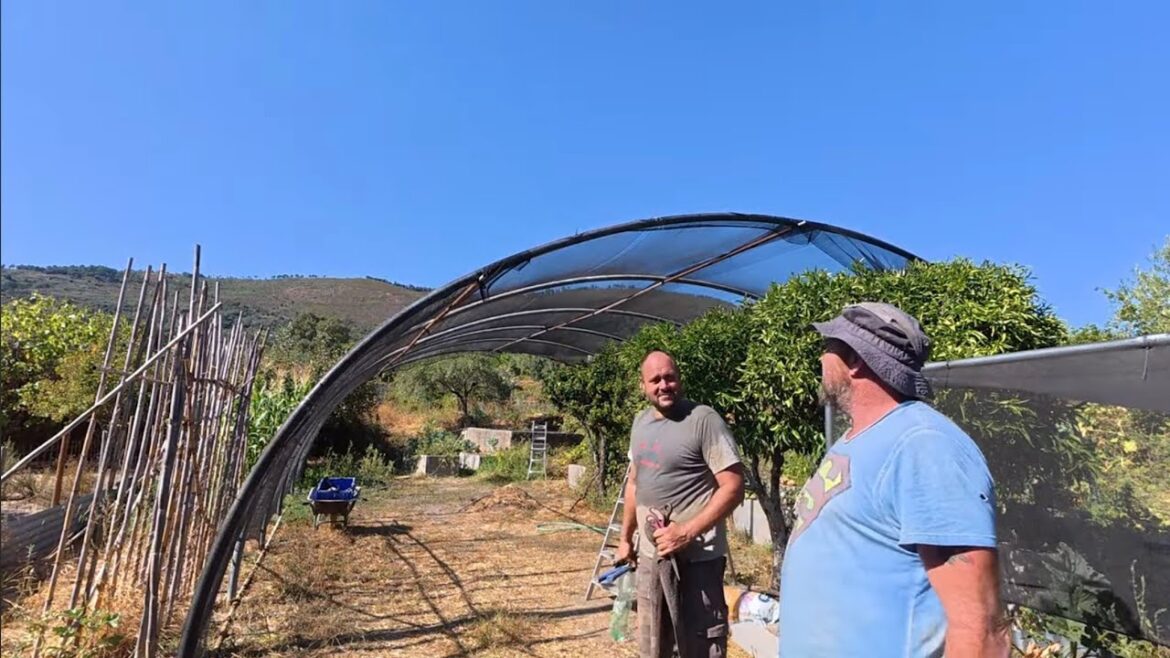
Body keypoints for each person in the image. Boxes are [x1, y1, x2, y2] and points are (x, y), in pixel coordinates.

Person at [778, 302, 1009, 657]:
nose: (821, 359)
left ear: (854, 361)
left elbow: (981, 626)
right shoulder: (856, 439)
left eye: (828, 348)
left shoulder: (924, 445)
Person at [615, 350, 746, 658]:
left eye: (669, 377)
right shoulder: (640, 423)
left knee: (700, 644)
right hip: (651, 558)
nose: (664, 385)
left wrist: (685, 532)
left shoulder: (703, 420)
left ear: (679, 379)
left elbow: (734, 486)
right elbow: (635, 484)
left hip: (697, 560)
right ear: (642, 386)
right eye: (655, 379)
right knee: (654, 643)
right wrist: (624, 540)